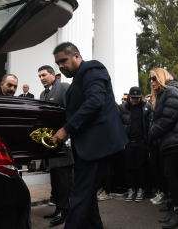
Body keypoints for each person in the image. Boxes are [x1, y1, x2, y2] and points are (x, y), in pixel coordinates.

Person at [51, 42, 128, 229]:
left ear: (76, 55)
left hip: (97, 144)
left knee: (79, 195)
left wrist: (66, 129)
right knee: (87, 196)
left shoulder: (92, 68)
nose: (60, 66)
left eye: (63, 60)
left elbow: (95, 101)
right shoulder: (78, 78)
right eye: (57, 63)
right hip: (89, 146)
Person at [148, 68, 178, 228]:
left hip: (176, 141)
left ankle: (177, 212)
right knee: (177, 176)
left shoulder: (171, 91)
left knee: (172, 176)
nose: (151, 82)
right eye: (150, 79)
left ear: (161, 77)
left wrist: (152, 133)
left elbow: (166, 119)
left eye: (154, 78)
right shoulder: (165, 93)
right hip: (173, 140)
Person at [38, 65, 74, 227]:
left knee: (64, 178)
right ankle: (59, 207)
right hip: (50, 142)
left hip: (63, 140)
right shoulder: (43, 93)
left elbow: (71, 113)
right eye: (39, 76)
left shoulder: (64, 88)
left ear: (53, 74)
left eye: (44, 75)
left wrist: (66, 134)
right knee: (55, 179)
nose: (42, 78)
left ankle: (65, 210)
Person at [118, 86, 153, 203]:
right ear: (129, 97)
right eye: (133, 98)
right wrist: (121, 141)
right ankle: (131, 189)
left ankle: (141, 189)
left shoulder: (146, 107)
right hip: (128, 143)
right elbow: (118, 126)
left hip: (141, 142)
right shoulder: (122, 108)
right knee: (129, 168)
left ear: (140, 97)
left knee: (141, 167)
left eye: (137, 98)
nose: (135, 100)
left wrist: (148, 143)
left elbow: (150, 126)